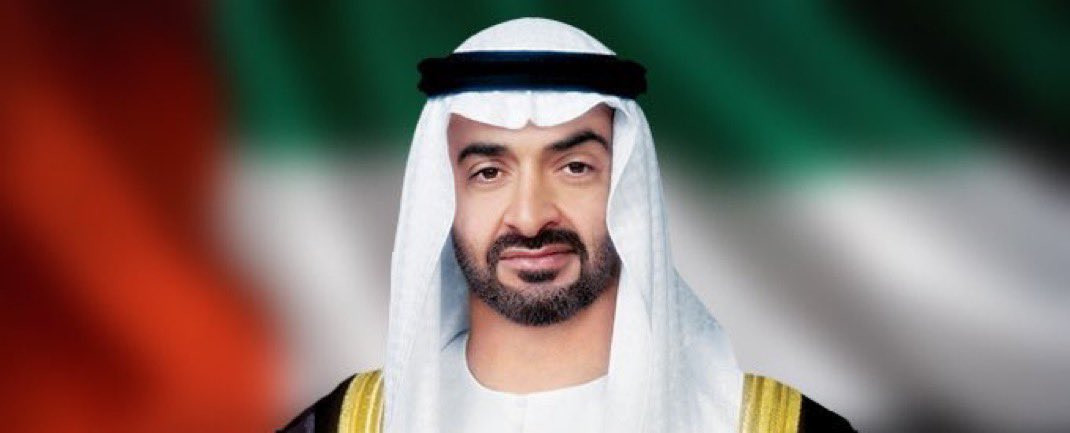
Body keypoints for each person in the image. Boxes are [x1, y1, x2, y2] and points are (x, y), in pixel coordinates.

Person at [280, 17, 856, 433]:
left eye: (575, 168)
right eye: (488, 172)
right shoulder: (345, 424)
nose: (531, 217)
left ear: (628, 188)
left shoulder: (767, 424)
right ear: (442, 195)